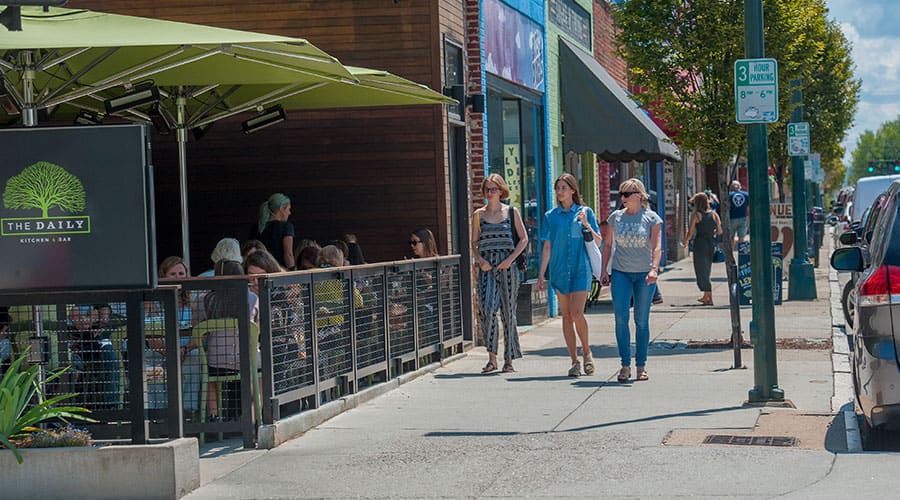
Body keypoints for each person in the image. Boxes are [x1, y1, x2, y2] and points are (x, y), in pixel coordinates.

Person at [538, 173, 600, 377]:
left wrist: (586, 224)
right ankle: (574, 360)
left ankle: (587, 352)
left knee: (576, 313)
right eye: (558, 188)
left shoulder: (585, 212)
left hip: (580, 269)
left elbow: (598, 241)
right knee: (565, 316)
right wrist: (541, 274)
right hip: (558, 270)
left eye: (564, 187)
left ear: (573, 190)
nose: (559, 191)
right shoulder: (550, 216)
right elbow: (547, 246)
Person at [601, 178, 662, 383]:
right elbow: (608, 246)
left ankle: (641, 365)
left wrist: (654, 269)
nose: (623, 198)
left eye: (627, 194)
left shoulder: (652, 218)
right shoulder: (616, 218)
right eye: (621, 194)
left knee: (641, 321)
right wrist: (603, 270)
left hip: (644, 275)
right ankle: (625, 364)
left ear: (639, 195)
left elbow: (656, 247)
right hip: (621, 273)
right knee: (620, 318)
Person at [472, 174, 528, 374]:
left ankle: (509, 359)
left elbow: (523, 239)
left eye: (493, 189)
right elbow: (474, 242)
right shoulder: (479, 215)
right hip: (487, 266)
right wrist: (480, 260)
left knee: (508, 312)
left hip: (507, 266)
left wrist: (510, 259)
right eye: (487, 189)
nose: (490, 193)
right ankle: (491, 357)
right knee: (487, 309)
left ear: (501, 190)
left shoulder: (511, 212)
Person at [684, 192, 722, 306]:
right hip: (711, 243)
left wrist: (686, 241)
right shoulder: (714, 214)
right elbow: (720, 231)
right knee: (707, 269)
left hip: (700, 243)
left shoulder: (696, 215)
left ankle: (709, 297)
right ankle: (706, 296)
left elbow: (690, 231)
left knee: (701, 270)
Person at [257, 193, 295, 270]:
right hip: (280, 270)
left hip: (262, 269)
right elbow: (288, 254)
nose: (289, 213)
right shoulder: (286, 226)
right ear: (281, 209)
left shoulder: (258, 227)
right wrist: (292, 271)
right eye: (288, 209)